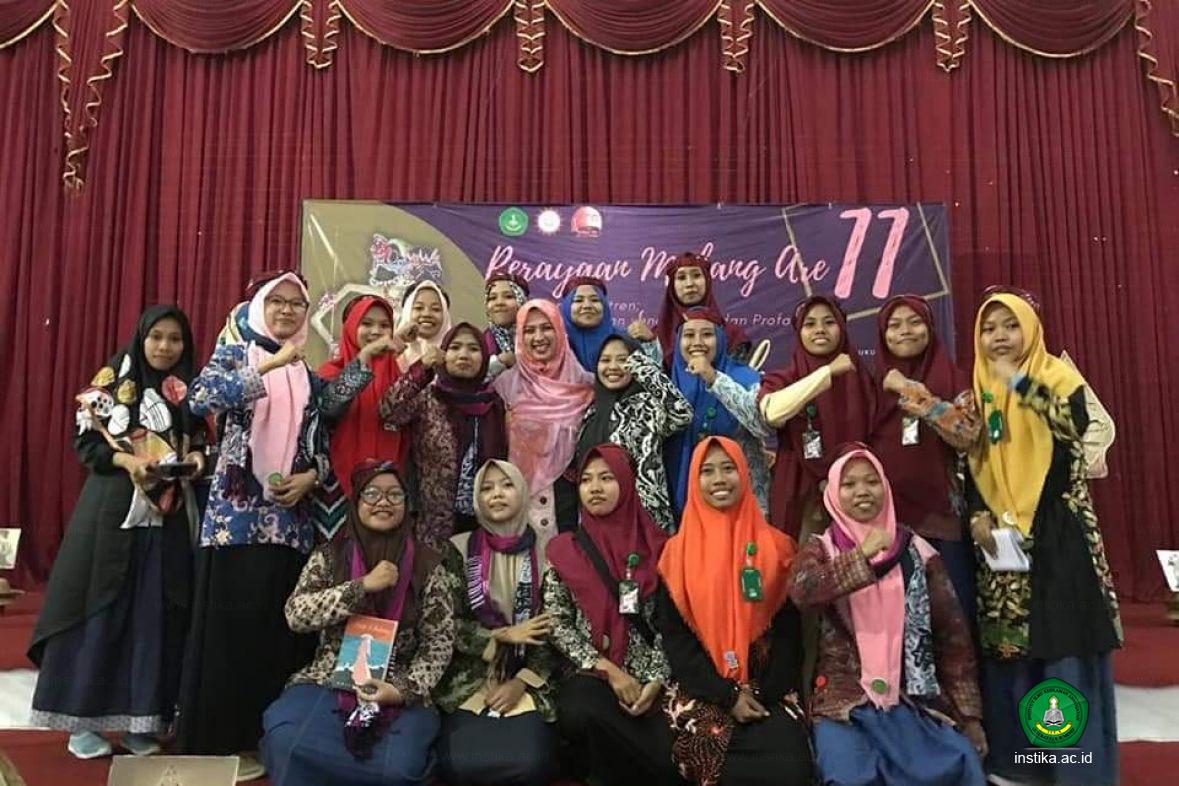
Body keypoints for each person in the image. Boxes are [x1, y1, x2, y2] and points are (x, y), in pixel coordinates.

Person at [177, 272, 364, 780]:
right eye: (276, 302)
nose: (286, 310)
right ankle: (219, 744)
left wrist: (313, 476)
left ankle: (264, 740)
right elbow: (199, 399)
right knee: (229, 636)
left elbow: (325, 424)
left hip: (289, 522)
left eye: (296, 304)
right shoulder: (236, 354)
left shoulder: (305, 371)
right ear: (258, 307)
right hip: (236, 523)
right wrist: (267, 366)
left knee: (272, 637)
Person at [29, 306, 205, 759]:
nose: (165, 347)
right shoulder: (111, 385)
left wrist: (198, 458)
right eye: (157, 337)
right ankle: (81, 723)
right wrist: (127, 461)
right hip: (112, 518)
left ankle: (140, 724)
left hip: (165, 522)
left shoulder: (189, 390)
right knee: (99, 611)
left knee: (154, 620)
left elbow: (200, 438)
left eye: (175, 339)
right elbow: (86, 443)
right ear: (141, 338)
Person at [966, 292, 1121, 785]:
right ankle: (1021, 767)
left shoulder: (1057, 377)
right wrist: (977, 515)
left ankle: (1075, 771)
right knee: (1012, 651)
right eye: (989, 328)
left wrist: (1019, 381)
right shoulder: (978, 387)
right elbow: (970, 462)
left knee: (1062, 650)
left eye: (1011, 325)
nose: (999, 337)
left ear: (1030, 329)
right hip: (1002, 540)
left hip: (1058, 535)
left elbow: (1073, 423)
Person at [791, 447, 986, 785]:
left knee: (960, 761)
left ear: (885, 487)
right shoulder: (821, 549)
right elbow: (803, 591)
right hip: (844, 703)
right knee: (849, 777)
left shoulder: (916, 551)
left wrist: (969, 716)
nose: (862, 491)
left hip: (910, 697)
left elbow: (952, 637)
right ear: (833, 494)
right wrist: (861, 557)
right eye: (849, 484)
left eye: (872, 482)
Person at [261, 461, 456, 786]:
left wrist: (402, 689)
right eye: (373, 494)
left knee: (399, 769)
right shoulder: (329, 556)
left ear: (407, 504)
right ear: (356, 502)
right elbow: (296, 614)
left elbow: (439, 645)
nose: (383, 502)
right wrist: (360, 587)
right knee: (286, 742)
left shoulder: (429, 565)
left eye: (395, 495)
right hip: (329, 679)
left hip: (397, 684)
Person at [656, 437, 811, 786]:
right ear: (693, 481)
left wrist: (759, 693)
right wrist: (727, 695)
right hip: (702, 691)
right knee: (719, 768)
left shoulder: (779, 548)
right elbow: (677, 643)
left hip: (768, 690)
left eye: (728, 468)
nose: (719, 479)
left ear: (744, 473)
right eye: (707, 471)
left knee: (792, 769)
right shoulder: (675, 556)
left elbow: (789, 638)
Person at [543, 445, 682, 786]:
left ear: (627, 483)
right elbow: (557, 623)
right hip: (595, 676)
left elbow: (673, 624)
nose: (595, 488)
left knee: (669, 760)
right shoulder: (565, 550)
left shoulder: (661, 549)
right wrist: (609, 671)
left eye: (606, 478)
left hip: (652, 679)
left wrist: (654, 681)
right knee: (578, 711)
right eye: (586, 480)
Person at [434, 459, 558, 786]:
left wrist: (521, 683)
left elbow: (554, 630)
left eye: (506, 485)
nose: (497, 494)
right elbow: (444, 624)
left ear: (523, 493)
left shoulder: (548, 552)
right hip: (471, 676)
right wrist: (500, 636)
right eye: (486, 488)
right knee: (460, 765)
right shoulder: (458, 549)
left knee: (530, 764)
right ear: (476, 499)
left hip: (528, 674)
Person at [871, 294, 980, 623]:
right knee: (900, 618)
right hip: (887, 521)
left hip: (942, 517)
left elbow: (968, 434)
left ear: (930, 328)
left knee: (952, 613)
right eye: (894, 325)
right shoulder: (871, 386)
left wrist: (913, 392)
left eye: (914, 322)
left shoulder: (953, 379)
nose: (905, 330)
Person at [758, 295, 877, 537]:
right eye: (810, 324)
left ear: (841, 327)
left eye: (829, 322)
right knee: (801, 558)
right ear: (799, 332)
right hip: (799, 490)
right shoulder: (785, 378)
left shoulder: (863, 379)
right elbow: (772, 413)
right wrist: (827, 373)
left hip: (855, 490)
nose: (820, 330)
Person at [379, 323, 508, 543]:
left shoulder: (495, 403)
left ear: (485, 358)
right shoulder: (429, 398)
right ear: (442, 355)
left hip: (485, 522)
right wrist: (422, 369)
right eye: (455, 347)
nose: (464, 355)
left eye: (473, 349)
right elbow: (388, 411)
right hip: (433, 525)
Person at [494, 299, 594, 548]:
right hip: (520, 508)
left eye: (547, 327)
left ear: (560, 331)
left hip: (572, 507)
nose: (538, 337)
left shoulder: (586, 387)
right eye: (529, 330)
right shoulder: (504, 387)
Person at [575, 334, 692, 532]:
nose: (613, 367)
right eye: (605, 360)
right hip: (598, 520)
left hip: (643, 522)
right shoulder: (591, 412)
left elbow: (683, 413)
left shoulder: (648, 405)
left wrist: (642, 367)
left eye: (623, 359)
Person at [315, 294, 406, 541]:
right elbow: (329, 407)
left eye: (384, 325)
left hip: (389, 492)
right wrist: (364, 357)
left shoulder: (398, 376)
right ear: (350, 328)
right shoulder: (329, 373)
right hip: (337, 487)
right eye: (366, 323)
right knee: (338, 557)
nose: (376, 331)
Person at [665, 308, 769, 517]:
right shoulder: (666, 382)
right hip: (681, 498)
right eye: (689, 335)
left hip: (739, 498)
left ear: (720, 339)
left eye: (707, 334)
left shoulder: (745, 377)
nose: (697, 342)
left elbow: (760, 425)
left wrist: (713, 378)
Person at [652, 252, 750, 363]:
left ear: (707, 281)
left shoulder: (732, 335)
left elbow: (737, 373)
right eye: (681, 277)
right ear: (672, 287)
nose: (689, 284)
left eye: (696, 276)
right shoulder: (654, 337)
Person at [559, 276, 615, 371]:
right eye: (578, 300)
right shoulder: (554, 344)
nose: (587, 306)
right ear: (566, 307)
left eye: (595, 300)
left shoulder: (625, 340)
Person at [396, 280, 452, 372]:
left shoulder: (455, 357)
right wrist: (397, 340)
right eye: (418, 308)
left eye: (436, 309)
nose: (427, 314)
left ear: (445, 316)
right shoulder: (393, 357)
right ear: (407, 313)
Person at [483, 273, 529, 380]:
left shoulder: (539, 340)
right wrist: (497, 362)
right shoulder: (480, 344)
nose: (499, 303)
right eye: (492, 298)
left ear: (522, 301)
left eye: (509, 296)